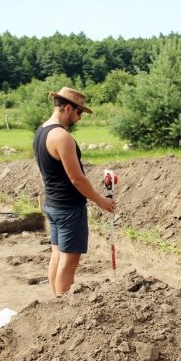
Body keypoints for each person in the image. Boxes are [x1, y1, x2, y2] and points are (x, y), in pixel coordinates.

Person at [33, 87, 116, 296]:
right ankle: (64, 309)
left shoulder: (41, 131)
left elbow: (44, 172)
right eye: (79, 113)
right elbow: (77, 178)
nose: (79, 119)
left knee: (57, 256)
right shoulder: (62, 137)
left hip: (53, 205)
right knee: (68, 263)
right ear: (68, 108)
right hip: (69, 208)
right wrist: (100, 201)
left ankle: (55, 302)